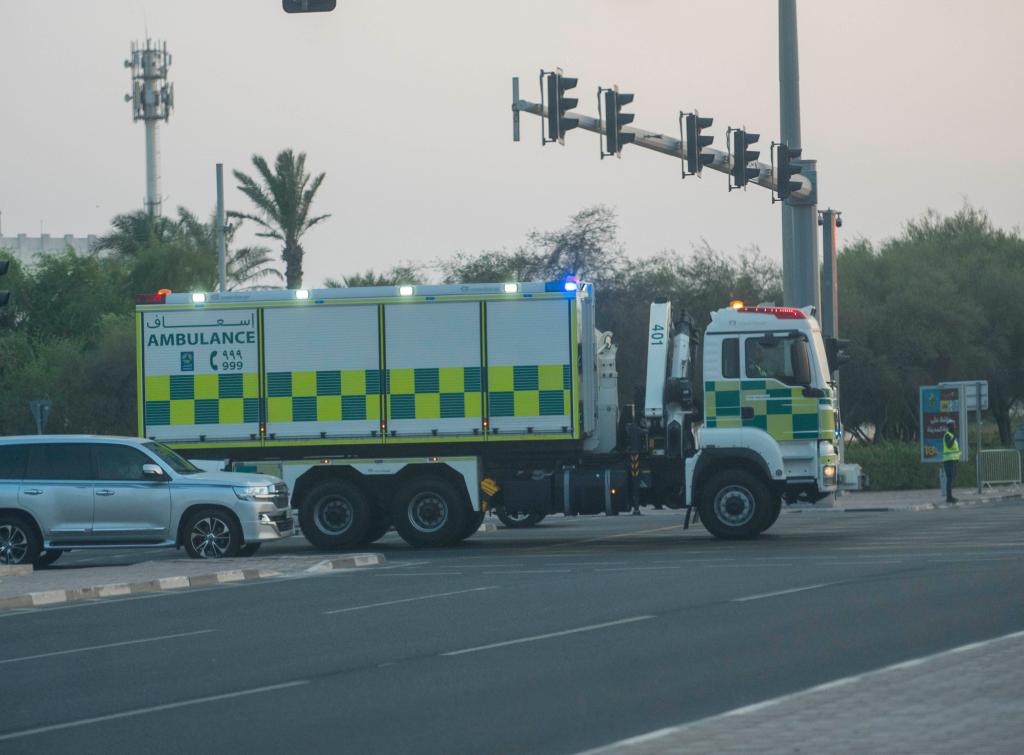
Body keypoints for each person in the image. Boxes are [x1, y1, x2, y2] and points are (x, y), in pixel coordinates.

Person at [942, 420, 961, 503]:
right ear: (949, 427)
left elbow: (955, 450)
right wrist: (954, 437)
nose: (954, 427)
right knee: (949, 479)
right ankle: (949, 498)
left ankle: (950, 496)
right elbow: (949, 445)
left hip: (953, 461)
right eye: (953, 425)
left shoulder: (952, 436)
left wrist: (957, 459)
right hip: (948, 461)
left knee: (952, 479)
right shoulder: (947, 435)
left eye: (955, 425)